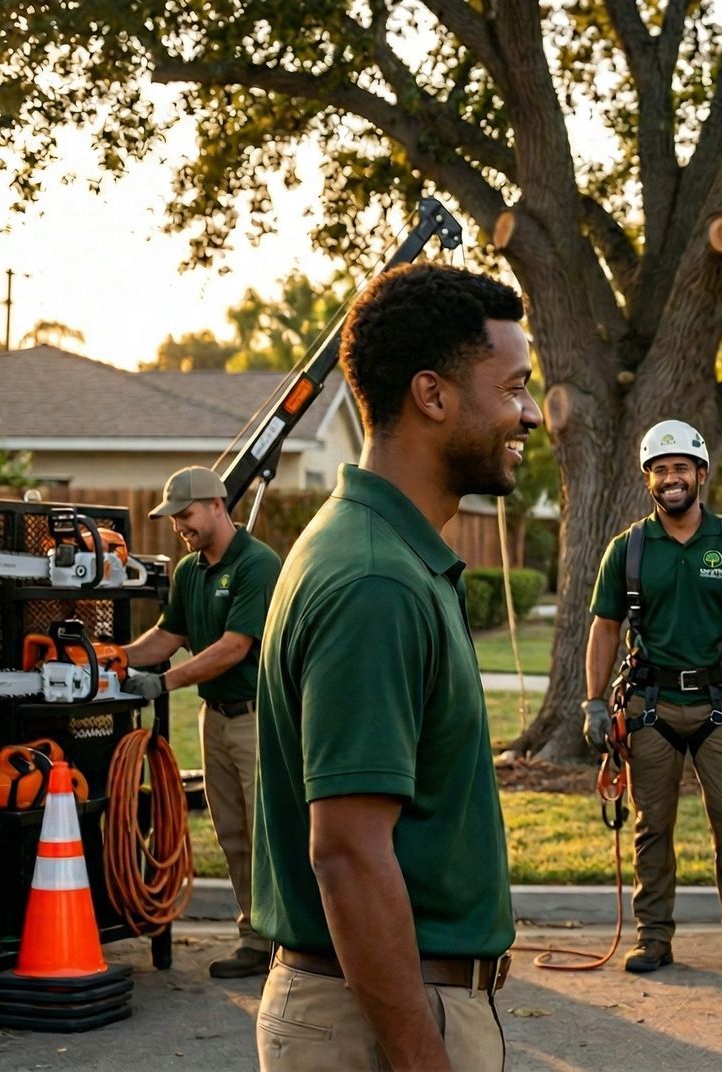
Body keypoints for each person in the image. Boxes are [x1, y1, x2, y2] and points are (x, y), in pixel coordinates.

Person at [250, 263, 538, 1071]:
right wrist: (422, 1058)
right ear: (433, 395)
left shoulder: (388, 555)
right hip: (373, 1023)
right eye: (514, 388)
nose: (533, 414)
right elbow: (346, 852)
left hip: (384, 1003)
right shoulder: (376, 580)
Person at [583, 420, 722, 975]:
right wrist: (595, 703)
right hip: (650, 706)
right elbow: (604, 628)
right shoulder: (626, 549)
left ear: (701, 474)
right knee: (652, 828)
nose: (671, 479)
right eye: (660, 470)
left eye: (681, 468)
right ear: (649, 480)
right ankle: (653, 937)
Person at [121, 465, 281, 980]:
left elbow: (235, 647)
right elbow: (167, 637)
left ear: (217, 504)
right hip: (215, 718)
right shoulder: (190, 571)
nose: (179, 527)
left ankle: (296, 941)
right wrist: (113, 660)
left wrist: (164, 683)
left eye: (185, 515)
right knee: (233, 833)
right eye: (172, 519)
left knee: (268, 834)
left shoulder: (258, 564)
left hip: (258, 718)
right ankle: (255, 940)